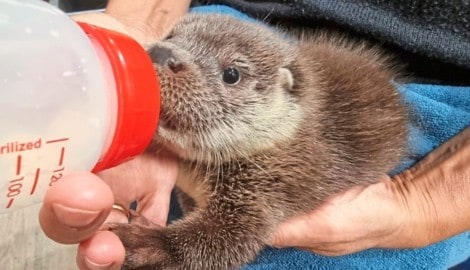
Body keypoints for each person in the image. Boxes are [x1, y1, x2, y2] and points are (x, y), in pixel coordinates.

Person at [39, 1, 470, 269]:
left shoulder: (279, 160)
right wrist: (127, 46)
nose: (168, 59)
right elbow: (175, 49)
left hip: (443, 107)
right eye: (169, 46)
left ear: (284, 97)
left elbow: (231, 237)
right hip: (240, 20)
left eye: (230, 77)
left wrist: (420, 202)